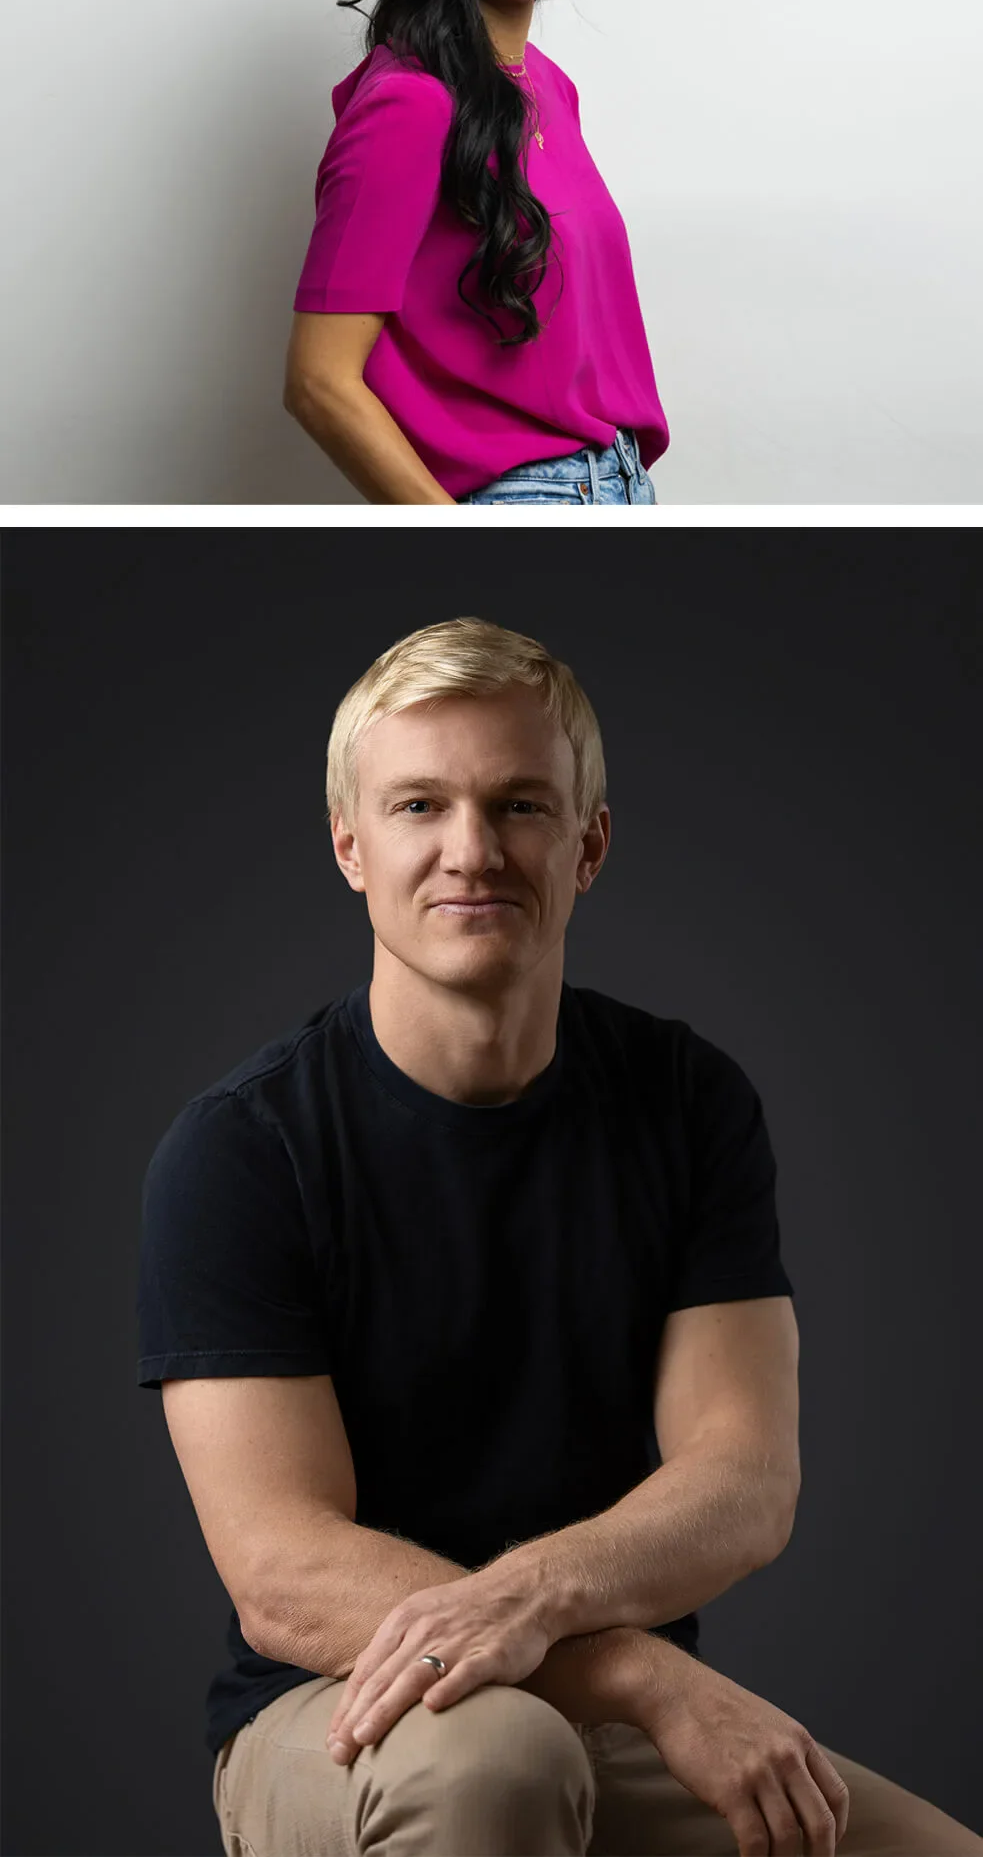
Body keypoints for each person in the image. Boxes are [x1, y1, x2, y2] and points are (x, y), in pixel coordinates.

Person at [137, 617, 982, 1856]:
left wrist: (542, 1611)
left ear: (587, 844)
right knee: (497, 1763)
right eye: (418, 806)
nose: (470, 851)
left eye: (519, 805)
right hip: (341, 1710)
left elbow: (742, 1479)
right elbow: (283, 1574)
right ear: (350, 846)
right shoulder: (242, 1149)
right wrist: (639, 1670)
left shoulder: (685, 1100)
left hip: (597, 1710)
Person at [281, 0, 667, 507]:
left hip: (615, 485)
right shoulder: (408, 104)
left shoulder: (546, 87)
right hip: (527, 501)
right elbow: (318, 381)